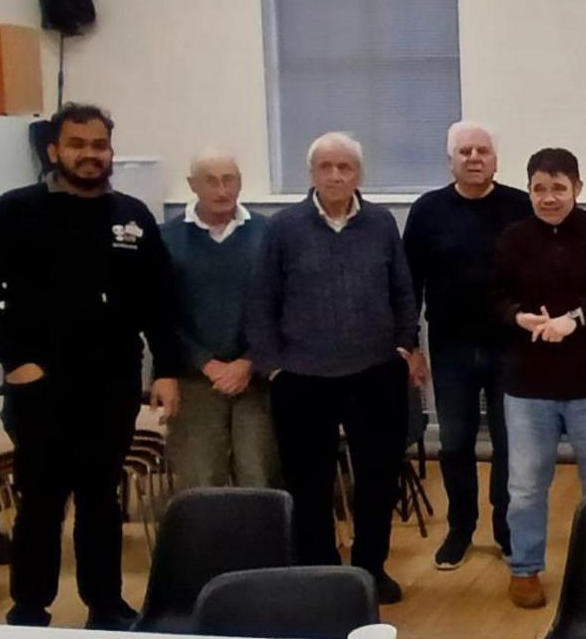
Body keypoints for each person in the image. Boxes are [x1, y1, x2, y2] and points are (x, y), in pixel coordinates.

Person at [0, 103, 181, 629]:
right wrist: (14, 358)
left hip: (112, 382)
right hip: (40, 386)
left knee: (101, 500)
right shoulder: (12, 212)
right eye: (78, 144)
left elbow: (160, 301)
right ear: (54, 150)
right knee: (41, 502)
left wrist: (166, 369)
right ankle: (30, 607)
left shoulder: (133, 216)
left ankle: (107, 604)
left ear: (110, 151)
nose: (89, 154)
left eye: (99, 145)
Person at [247, 131, 428, 605]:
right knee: (309, 483)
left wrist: (406, 346)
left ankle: (371, 568)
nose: (335, 176)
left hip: (374, 373)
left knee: (376, 479)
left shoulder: (382, 223)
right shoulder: (283, 227)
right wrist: (273, 367)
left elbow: (403, 292)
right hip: (301, 378)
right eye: (325, 167)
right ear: (311, 174)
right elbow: (261, 301)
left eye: (345, 167)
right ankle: (320, 570)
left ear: (358, 175)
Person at [491, 147, 586, 609]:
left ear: (577, 187)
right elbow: (493, 297)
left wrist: (576, 318)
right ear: (529, 189)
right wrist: (520, 319)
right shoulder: (511, 238)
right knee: (527, 484)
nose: (548, 197)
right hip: (527, 385)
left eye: (558, 187)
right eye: (539, 188)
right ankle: (525, 568)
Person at [403, 121, 531, 568]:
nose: (474, 158)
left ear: (495, 159)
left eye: (482, 151)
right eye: (464, 152)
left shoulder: (520, 206)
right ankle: (460, 528)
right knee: (455, 443)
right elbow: (409, 284)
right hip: (451, 346)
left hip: (510, 346)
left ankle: (506, 527)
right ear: (450, 161)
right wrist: (409, 346)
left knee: (508, 443)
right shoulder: (428, 210)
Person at [162, 149, 279, 489]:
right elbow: (162, 313)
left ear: (240, 183)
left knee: (258, 474)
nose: (222, 190)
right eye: (210, 181)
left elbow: (281, 303)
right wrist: (206, 363)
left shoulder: (267, 233)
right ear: (192, 185)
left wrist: (247, 361)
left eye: (229, 180)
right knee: (201, 478)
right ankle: (206, 544)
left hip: (255, 377)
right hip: (195, 378)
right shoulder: (167, 238)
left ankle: (258, 543)